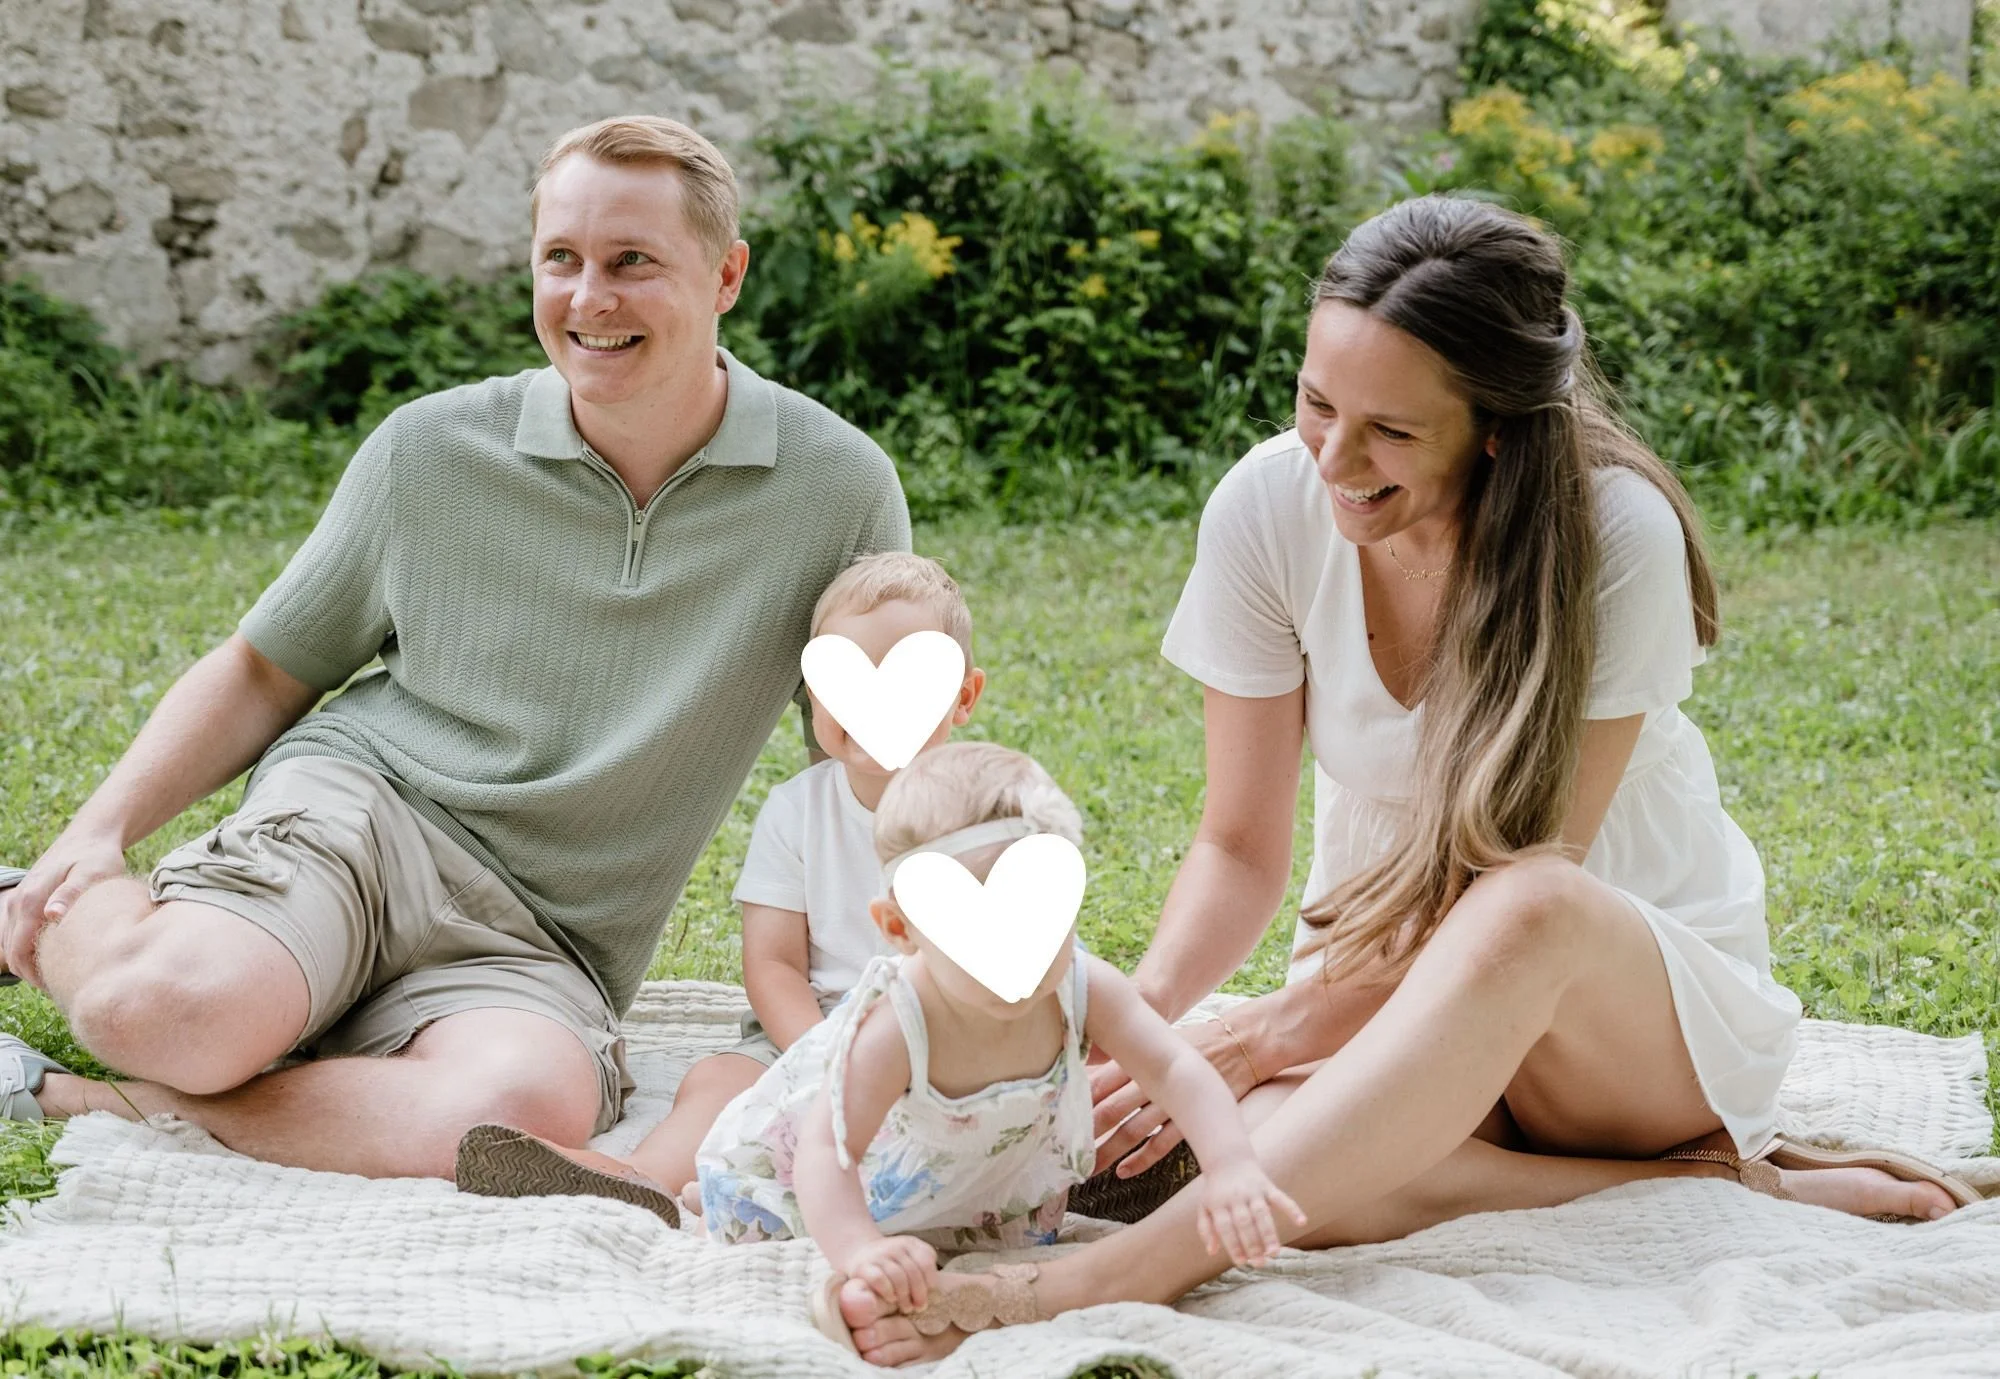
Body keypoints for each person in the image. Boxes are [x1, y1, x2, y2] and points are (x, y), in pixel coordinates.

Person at [820, 194, 1978, 1366]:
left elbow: (1523, 889)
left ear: (1493, 427)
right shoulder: (1268, 506)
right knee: (1288, 1153)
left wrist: (1268, 1029)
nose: (1331, 456)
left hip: (1623, 1016)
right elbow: (1236, 846)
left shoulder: (1616, 533)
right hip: (1383, 977)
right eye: (1315, 403)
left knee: (1518, 904)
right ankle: (1723, 1185)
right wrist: (1136, 1039)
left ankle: (1103, 1276)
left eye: (1388, 430)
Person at [0, 115, 909, 1178]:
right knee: (172, 1011)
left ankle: (50, 1094)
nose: (587, 298)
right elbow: (267, 663)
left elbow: (869, 768)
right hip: (366, 819)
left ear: (725, 276)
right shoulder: (430, 450)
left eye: (632, 262)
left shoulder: (836, 488)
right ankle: (39, 899)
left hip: (544, 941)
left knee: (513, 1111)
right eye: (559, 259)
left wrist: (922, 998)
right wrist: (97, 830)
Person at [690, 742, 1301, 1344]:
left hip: (983, 1197)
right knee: (811, 1237)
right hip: (847, 1182)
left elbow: (1175, 1068)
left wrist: (1232, 1164)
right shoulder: (898, 1025)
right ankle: (708, 1192)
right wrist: (859, 1248)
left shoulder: (1082, 987)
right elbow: (828, 1147)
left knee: (975, 1267)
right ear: (902, 930)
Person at [454, 550, 988, 1222]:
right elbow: (773, 963)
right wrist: (826, 1055)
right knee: (720, 1081)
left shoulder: (985, 814)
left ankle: (1063, 1173)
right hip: (809, 1028)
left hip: (949, 1037)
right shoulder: (797, 811)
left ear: (962, 697)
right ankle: (639, 1175)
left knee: (1010, 1097)